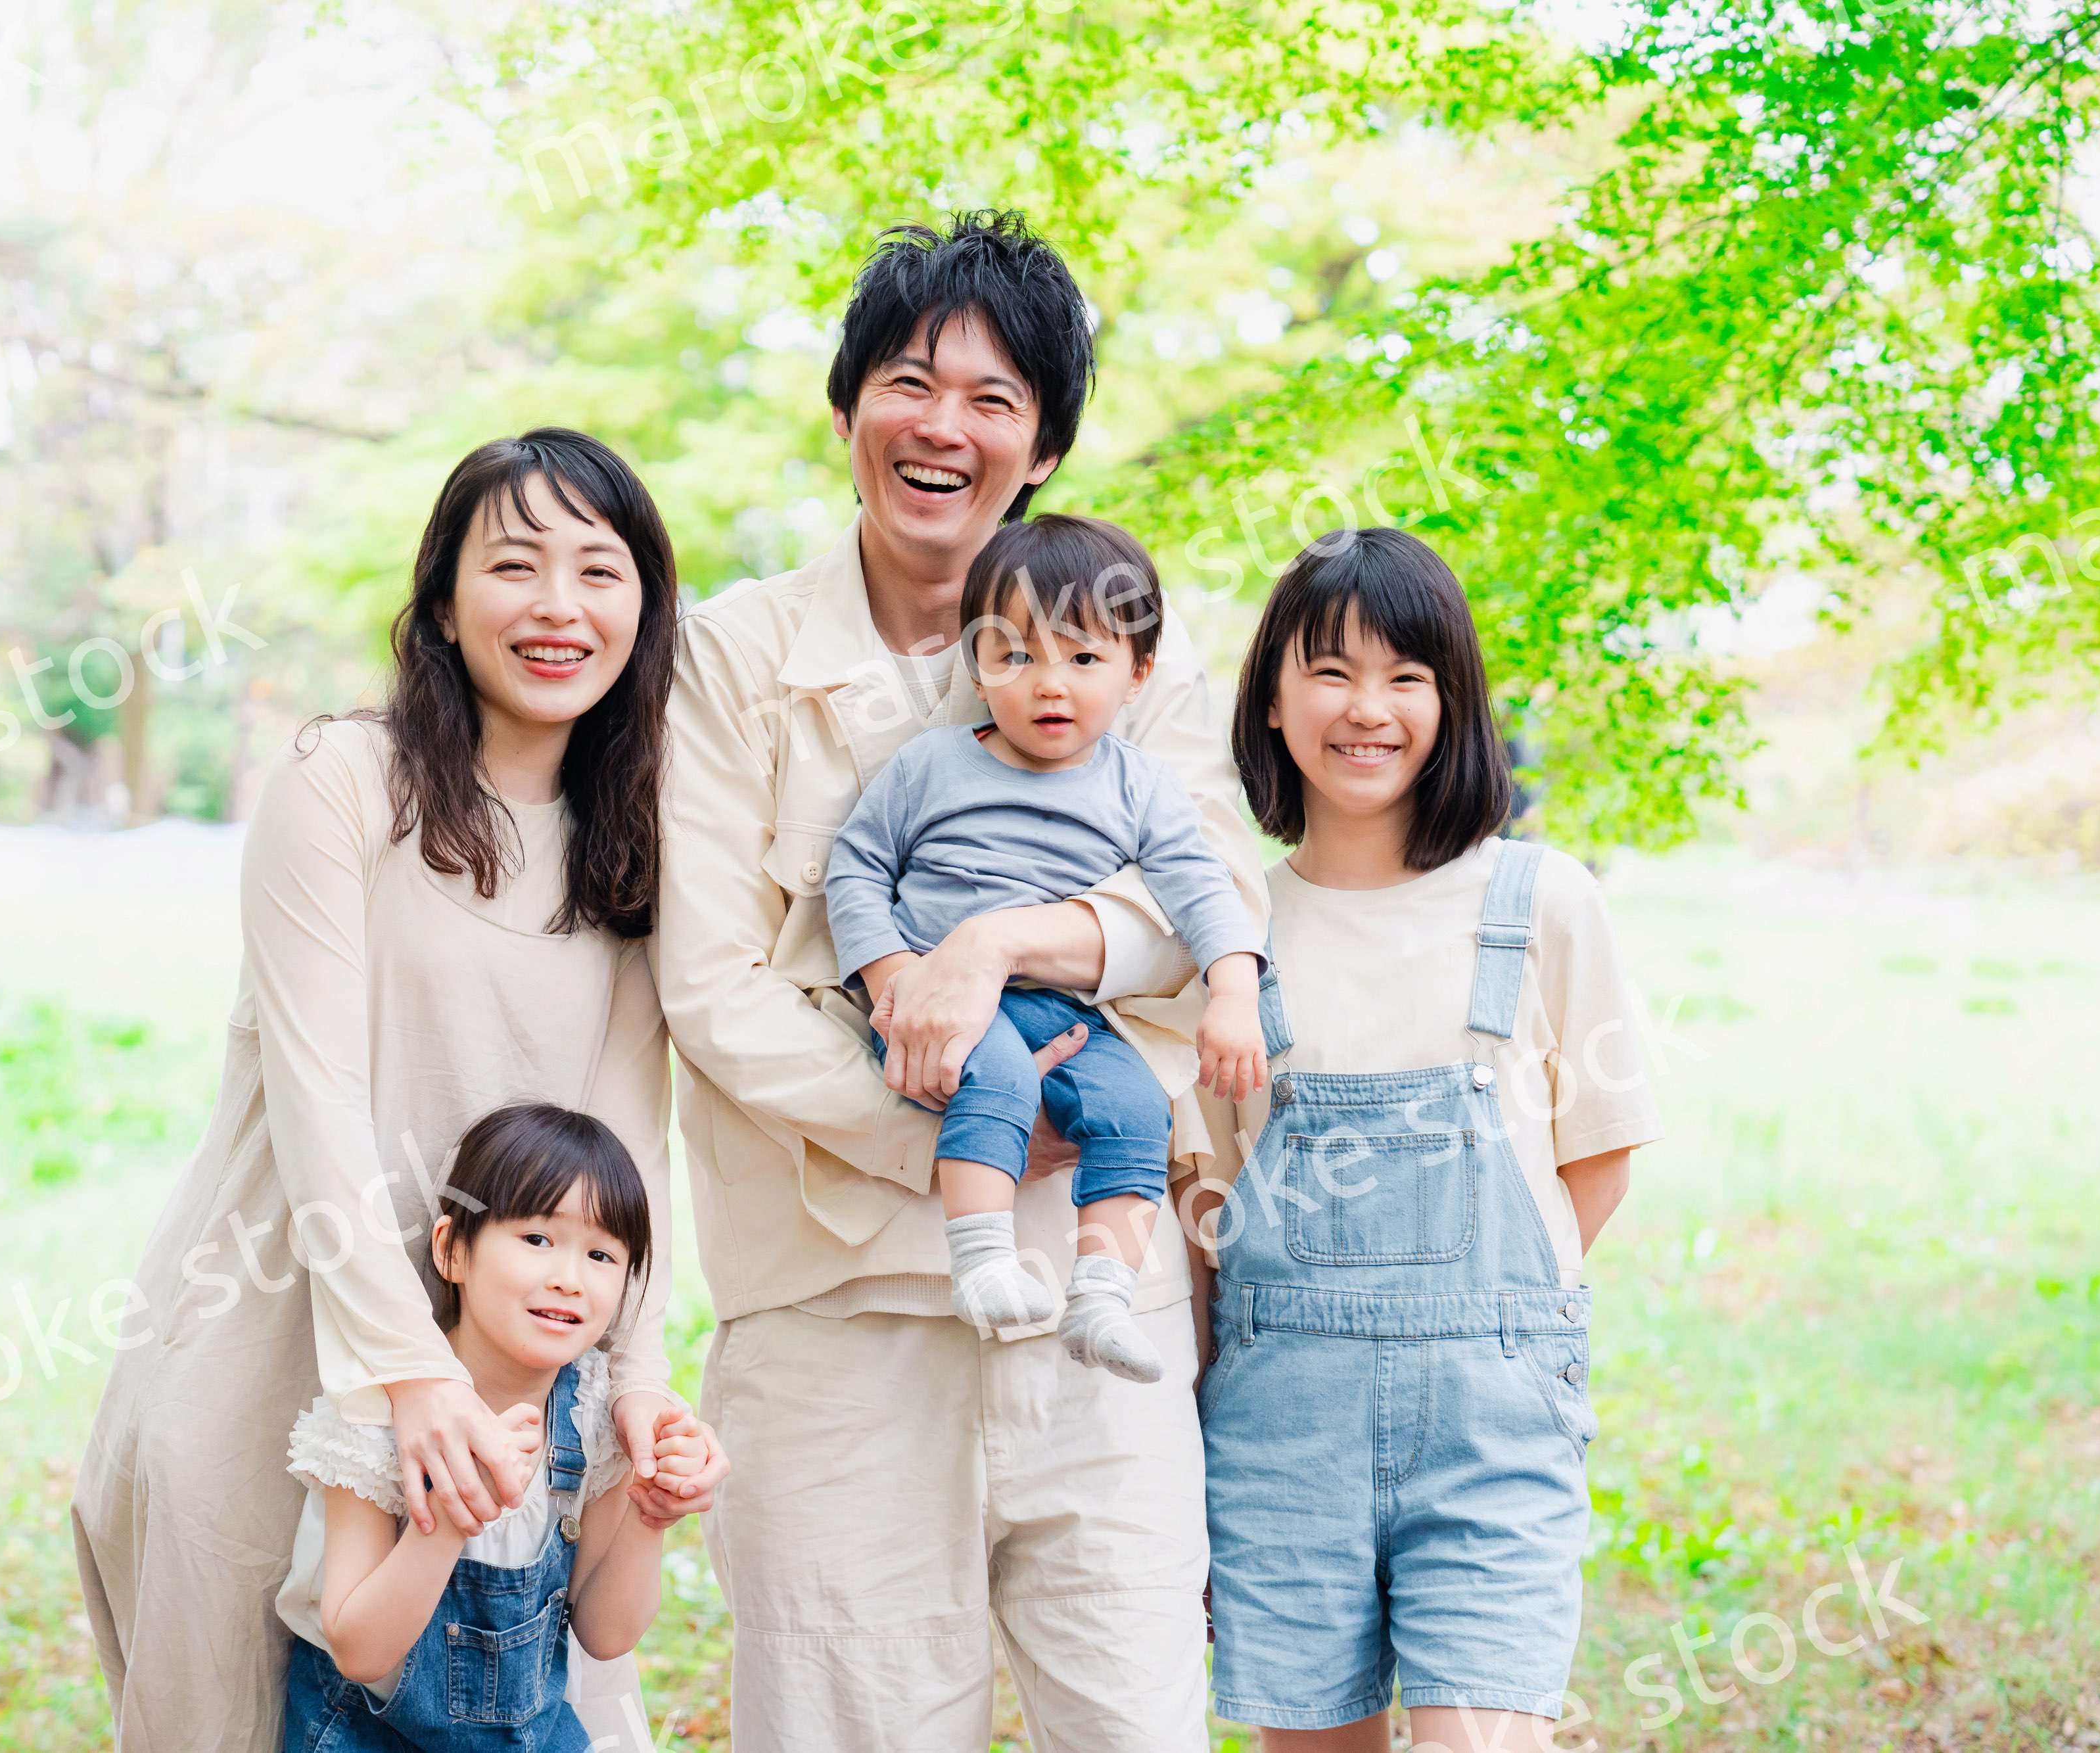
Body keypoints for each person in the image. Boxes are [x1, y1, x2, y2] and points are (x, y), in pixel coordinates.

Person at [653, 210, 1267, 1751]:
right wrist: (955, 1126)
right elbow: (713, 988)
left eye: (995, 400)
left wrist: (992, 947)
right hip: (835, 1324)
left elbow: (1211, 917)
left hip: (1097, 1312)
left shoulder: (1135, 639)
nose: (946, 428)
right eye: (912, 384)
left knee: (1134, 1723)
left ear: (1044, 445)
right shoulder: (731, 660)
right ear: (847, 403)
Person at [72, 429, 727, 1752]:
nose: (558, 605)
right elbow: (318, 1108)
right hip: (270, 1331)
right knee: (235, 1714)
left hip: (515, 1366)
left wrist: (635, 1380)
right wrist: (408, 1375)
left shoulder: (640, 839)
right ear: (440, 599)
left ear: (644, 608)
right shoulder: (344, 783)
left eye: (599, 570)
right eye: (514, 564)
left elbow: (619, 1156)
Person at [1197, 527, 1663, 1752]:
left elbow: (1592, 1169)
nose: (1369, 708)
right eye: (1332, 670)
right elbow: (1210, 1206)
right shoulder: (1231, 924)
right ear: (1274, 698)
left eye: (1409, 675)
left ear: (1452, 701)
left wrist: (1483, 1318)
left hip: (1494, 1414)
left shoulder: (1543, 899)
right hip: (1281, 1422)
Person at [823, 515, 1267, 1384]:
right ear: (976, 662)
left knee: (1140, 1103)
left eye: (1083, 658)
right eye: (1017, 655)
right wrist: (893, 976)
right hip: (941, 1004)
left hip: (1070, 1007)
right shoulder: (931, 766)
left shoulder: (1138, 784)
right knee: (999, 1075)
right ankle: (982, 1258)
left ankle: (1101, 1293)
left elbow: (1203, 887)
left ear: (1138, 673)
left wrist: (1234, 990)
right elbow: (856, 866)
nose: (1049, 684)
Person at [279, 1104, 722, 1752]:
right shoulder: (377, 1414)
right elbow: (360, 1652)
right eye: (537, 1239)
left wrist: (649, 1519)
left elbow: (605, 1634)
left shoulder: (592, 1415)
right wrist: (455, 1515)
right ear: (452, 1251)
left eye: (601, 1254)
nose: (568, 1279)